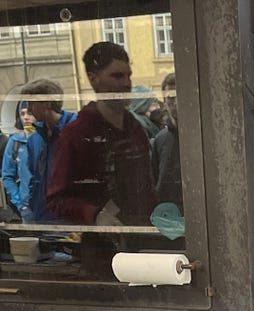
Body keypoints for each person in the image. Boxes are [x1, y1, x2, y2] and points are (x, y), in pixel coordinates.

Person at [46, 41, 157, 225]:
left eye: (128, 75)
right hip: (102, 239)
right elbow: (56, 199)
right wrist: (94, 215)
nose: (126, 83)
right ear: (93, 79)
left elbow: (147, 188)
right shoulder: (77, 134)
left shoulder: (135, 128)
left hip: (142, 233)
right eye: (117, 76)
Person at [20, 79, 76, 222]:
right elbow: (34, 176)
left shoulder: (76, 130)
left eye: (31, 103)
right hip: (42, 216)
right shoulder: (34, 139)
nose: (29, 109)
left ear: (47, 103)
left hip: (71, 217)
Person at [152, 73, 182, 208]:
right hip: (167, 213)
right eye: (171, 97)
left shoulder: (201, 137)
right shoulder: (160, 139)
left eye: (179, 96)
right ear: (164, 100)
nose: (175, 103)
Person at [1, 102, 35, 221]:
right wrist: (21, 205)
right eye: (22, 114)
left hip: (52, 207)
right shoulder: (15, 141)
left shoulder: (49, 139)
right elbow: (7, 176)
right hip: (27, 207)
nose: (25, 117)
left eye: (29, 113)